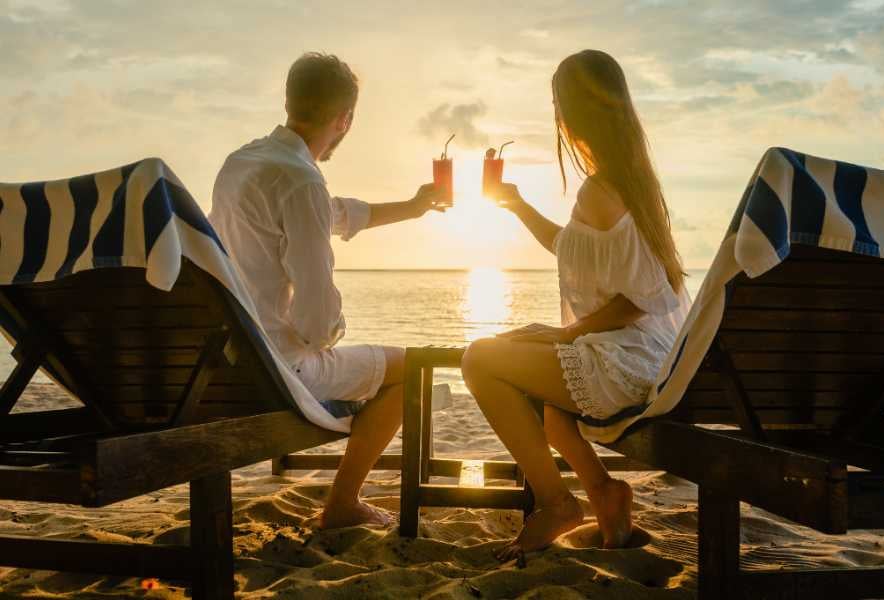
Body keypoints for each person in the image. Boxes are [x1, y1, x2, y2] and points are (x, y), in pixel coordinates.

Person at [461, 50, 690, 559]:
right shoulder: (629, 183)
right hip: (649, 353)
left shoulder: (602, 188)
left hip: (632, 362)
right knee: (536, 382)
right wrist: (518, 205)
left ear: (568, 113)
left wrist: (570, 332)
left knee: (480, 359)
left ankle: (557, 503)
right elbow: (573, 247)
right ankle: (604, 492)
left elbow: (641, 299)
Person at [209, 52, 445, 529]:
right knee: (413, 369)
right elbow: (316, 323)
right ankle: (343, 504)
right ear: (345, 119)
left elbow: (336, 213)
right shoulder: (300, 180)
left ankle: (344, 500)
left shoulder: (244, 163)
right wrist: (336, 329)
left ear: (291, 100)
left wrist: (413, 207)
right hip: (282, 369)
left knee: (385, 363)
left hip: (233, 358)